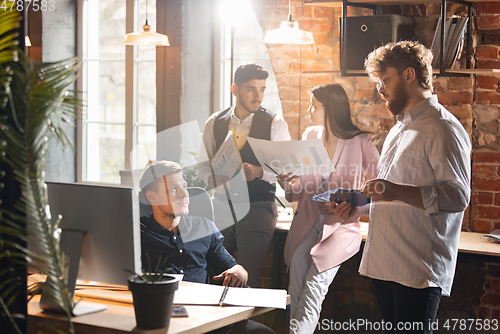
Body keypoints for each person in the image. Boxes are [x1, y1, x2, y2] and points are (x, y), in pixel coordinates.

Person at [359, 40, 471, 334]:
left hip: (416, 269)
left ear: (409, 76)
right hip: (383, 264)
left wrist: (394, 191)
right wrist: (359, 201)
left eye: (384, 80)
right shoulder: (398, 127)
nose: (380, 89)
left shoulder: (442, 127)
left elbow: (458, 196)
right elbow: (392, 191)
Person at [277, 83, 380, 334]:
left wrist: (354, 210)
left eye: (315, 105)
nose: (309, 110)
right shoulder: (311, 135)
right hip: (306, 224)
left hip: (340, 230)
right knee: (295, 291)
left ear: (330, 108)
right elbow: (300, 189)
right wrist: (286, 184)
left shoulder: (361, 141)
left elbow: (381, 191)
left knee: (313, 292)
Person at [139, 160, 275, 334]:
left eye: (184, 186)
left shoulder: (204, 228)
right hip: (165, 320)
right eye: (174, 189)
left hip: (209, 318)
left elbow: (233, 268)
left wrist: (239, 271)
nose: (184, 194)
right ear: (152, 197)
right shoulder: (138, 235)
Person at [197, 63, 291, 288]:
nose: (258, 96)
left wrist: (259, 172)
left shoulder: (275, 124)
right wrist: (213, 179)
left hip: (257, 208)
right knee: (216, 274)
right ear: (235, 89)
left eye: (262, 89)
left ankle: (246, 324)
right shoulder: (215, 122)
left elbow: (286, 170)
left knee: (247, 277)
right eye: (251, 89)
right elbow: (202, 166)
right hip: (221, 206)